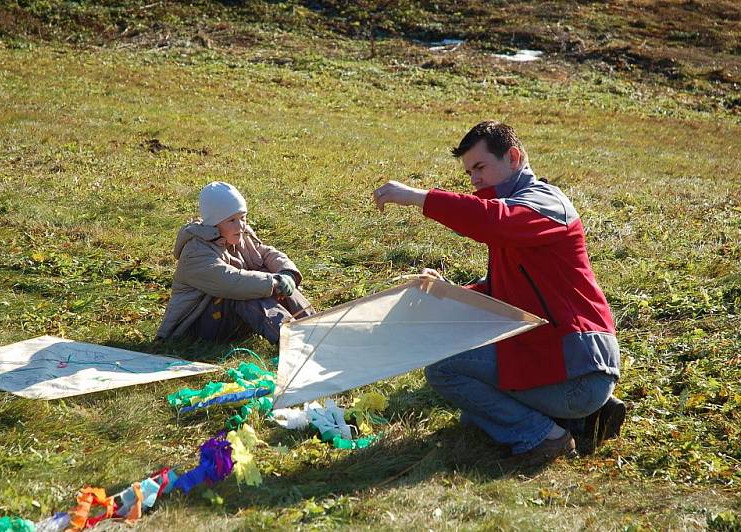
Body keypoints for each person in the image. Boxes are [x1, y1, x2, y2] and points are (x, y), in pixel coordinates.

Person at [373, 120, 625, 465]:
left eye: (480, 167)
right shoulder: (515, 212)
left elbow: (495, 218)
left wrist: (418, 197)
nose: (475, 179)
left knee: (445, 370)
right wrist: (447, 293)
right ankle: (581, 419)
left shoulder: (544, 204)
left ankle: (546, 437)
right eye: (469, 172)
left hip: (579, 369)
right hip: (565, 365)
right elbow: (501, 291)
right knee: (474, 415)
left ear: (514, 157)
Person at [157, 181, 313, 344]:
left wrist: (286, 273)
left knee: (275, 279)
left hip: (226, 322)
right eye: (231, 220)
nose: (240, 225)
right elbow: (230, 282)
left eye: (242, 217)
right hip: (194, 330)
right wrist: (272, 282)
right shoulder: (196, 253)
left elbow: (265, 253)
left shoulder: (239, 235)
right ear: (214, 224)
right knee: (248, 289)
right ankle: (293, 341)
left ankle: (314, 327)